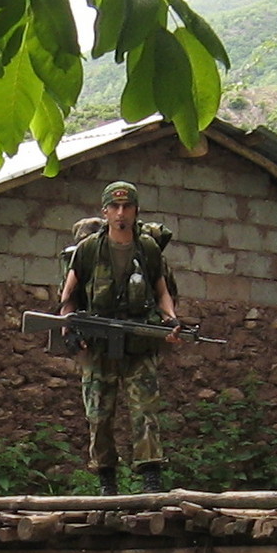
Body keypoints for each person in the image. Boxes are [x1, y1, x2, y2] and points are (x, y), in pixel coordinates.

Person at [58, 180, 181, 495]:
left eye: (127, 207)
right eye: (114, 207)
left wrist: (171, 320)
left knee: (146, 411)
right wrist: (67, 328)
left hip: (138, 344)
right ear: (105, 211)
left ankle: (150, 478)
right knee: (98, 415)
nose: (121, 213)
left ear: (136, 211)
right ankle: (106, 480)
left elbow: (162, 291)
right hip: (99, 346)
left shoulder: (147, 249)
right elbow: (68, 296)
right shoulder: (88, 250)